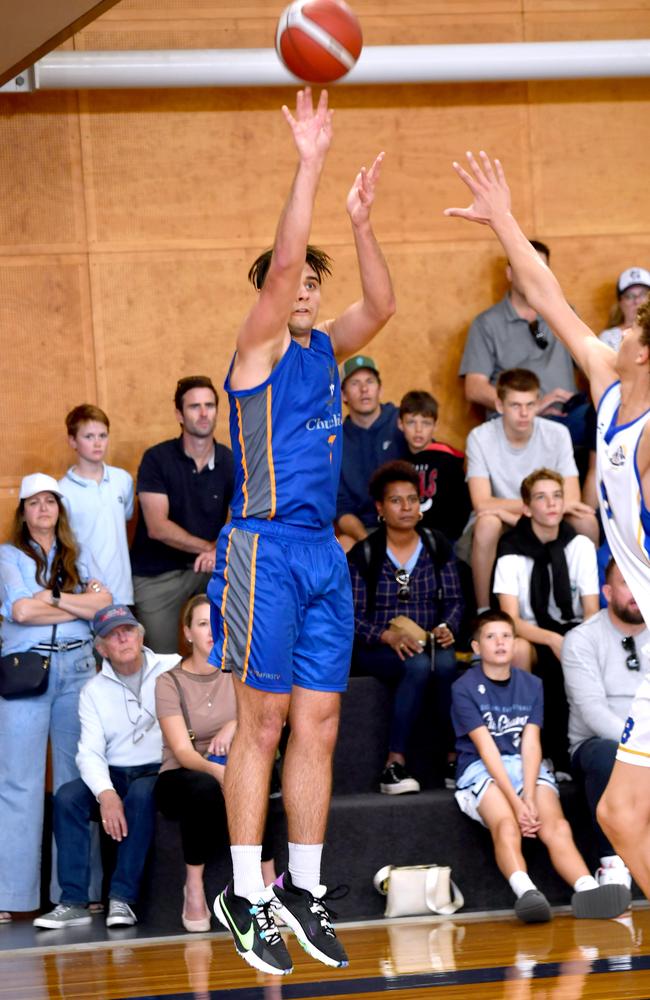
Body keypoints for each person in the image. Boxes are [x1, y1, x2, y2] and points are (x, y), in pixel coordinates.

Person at [208, 88, 395, 976]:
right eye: (296, 282)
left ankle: (303, 889)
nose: (306, 290)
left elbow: (384, 305)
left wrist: (358, 223)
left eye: (316, 283)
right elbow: (281, 269)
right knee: (265, 721)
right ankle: (243, 890)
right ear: (271, 295)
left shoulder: (327, 350)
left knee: (318, 725)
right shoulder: (256, 347)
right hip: (263, 548)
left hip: (324, 553)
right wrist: (311, 162)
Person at [445, 148, 650, 898]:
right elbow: (546, 289)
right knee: (623, 818)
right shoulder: (606, 373)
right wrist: (503, 221)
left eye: (631, 331)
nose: (613, 332)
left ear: (647, 352)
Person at [451, 610, 630, 924]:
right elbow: (486, 748)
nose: (500, 643)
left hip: (526, 766)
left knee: (556, 826)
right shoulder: (464, 686)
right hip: (483, 768)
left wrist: (530, 796)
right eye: (490, 637)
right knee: (506, 823)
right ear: (477, 648)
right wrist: (518, 802)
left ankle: (587, 889)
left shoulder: (532, 684)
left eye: (506, 635)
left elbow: (531, 742)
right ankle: (527, 893)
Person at [0, 474, 110, 924]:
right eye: (34, 503)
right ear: (23, 511)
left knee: (76, 783)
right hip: (26, 667)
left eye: (50, 502)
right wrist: (75, 600)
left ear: (59, 510)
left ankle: (78, 892)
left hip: (80, 669)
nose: (43, 509)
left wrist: (53, 595)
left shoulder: (79, 556)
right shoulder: (8, 556)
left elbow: (103, 607)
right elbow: (20, 611)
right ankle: (12, 896)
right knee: (19, 784)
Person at [33, 604, 178, 930]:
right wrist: (106, 793)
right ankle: (72, 902)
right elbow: (89, 753)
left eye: (128, 630)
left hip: (158, 767)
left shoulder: (172, 666)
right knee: (68, 796)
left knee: (142, 795)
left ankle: (122, 899)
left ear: (140, 635)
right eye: (113, 635)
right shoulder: (93, 691)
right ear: (101, 649)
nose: (123, 638)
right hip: (115, 772)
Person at [154, 595, 279, 932]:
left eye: (216, 622)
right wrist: (218, 771)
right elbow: (182, 751)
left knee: (264, 776)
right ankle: (193, 884)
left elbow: (268, 716)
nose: (211, 630)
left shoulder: (239, 671)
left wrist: (234, 724)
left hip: (235, 763)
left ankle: (268, 882)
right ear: (188, 632)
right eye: (202, 623)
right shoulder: (169, 682)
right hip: (183, 774)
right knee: (205, 787)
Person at [348, 460, 463, 794]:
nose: (406, 507)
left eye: (412, 499)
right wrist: (385, 635)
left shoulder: (437, 545)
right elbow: (349, 617)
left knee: (444, 664)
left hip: (428, 642)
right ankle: (393, 766)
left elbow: (455, 600)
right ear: (380, 509)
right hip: (377, 648)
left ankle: (454, 759)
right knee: (416, 666)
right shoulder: (364, 553)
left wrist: (446, 626)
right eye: (396, 501)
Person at [465, 367, 597, 610]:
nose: (524, 413)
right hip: (505, 518)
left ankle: (589, 608)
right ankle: (483, 611)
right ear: (499, 405)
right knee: (487, 524)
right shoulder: (479, 437)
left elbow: (571, 498)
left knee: (586, 520)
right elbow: (482, 503)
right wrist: (529, 509)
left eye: (530, 404)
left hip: (544, 513)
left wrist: (531, 508)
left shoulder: (558, 433)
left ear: (539, 403)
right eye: (515, 405)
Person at [493, 468, 599, 769]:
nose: (551, 504)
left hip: (573, 628)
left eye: (557, 496)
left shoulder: (578, 546)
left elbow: (591, 611)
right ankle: (526, 746)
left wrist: (573, 641)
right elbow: (510, 619)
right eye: (541, 497)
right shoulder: (511, 549)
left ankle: (577, 749)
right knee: (521, 650)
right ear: (527, 507)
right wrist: (553, 640)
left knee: (591, 646)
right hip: (531, 630)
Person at [561, 559, 649, 890]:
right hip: (596, 744)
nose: (637, 593)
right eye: (627, 584)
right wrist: (641, 751)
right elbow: (594, 714)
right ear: (607, 592)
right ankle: (612, 865)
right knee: (611, 754)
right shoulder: (581, 639)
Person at [130, 375, 234, 653]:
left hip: (211, 570)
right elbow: (157, 526)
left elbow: (243, 517)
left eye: (210, 405)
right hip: (158, 575)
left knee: (234, 644)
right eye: (194, 406)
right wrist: (210, 547)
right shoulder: (157, 459)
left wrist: (219, 552)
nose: (203, 413)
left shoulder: (230, 461)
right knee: (160, 660)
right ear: (179, 413)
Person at [458, 239, 577, 420]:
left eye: (541, 270)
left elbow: (591, 363)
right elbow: (474, 388)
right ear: (510, 273)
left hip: (568, 418)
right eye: (526, 268)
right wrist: (529, 408)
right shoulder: (486, 323)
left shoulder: (564, 313)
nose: (534, 276)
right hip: (516, 425)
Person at [58, 403, 134, 606]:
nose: (97, 443)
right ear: (73, 441)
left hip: (122, 590)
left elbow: (125, 518)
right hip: (85, 592)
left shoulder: (122, 480)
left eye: (102, 435)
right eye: (89, 437)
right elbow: (65, 543)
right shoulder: (62, 491)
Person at [336, 355, 403, 551]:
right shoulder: (337, 441)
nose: (364, 389)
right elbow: (341, 508)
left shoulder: (401, 422)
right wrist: (368, 541)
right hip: (363, 529)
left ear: (380, 389)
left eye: (370, 382)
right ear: (344, 395)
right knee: (343, 546)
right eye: (355, 383)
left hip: (407, 523)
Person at [397, 390, 471, 543]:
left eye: (426, 423)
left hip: (444, 538)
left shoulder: (449, 459)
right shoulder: (398, 465)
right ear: (400, 424)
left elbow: (461, 508)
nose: (418, 430)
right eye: (411, 422)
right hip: (408, 538)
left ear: (435, 425)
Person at [599, 267, 650, 352]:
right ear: (620, 303)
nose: (637, 301)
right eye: (629, 296)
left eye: (643, 294)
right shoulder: (608, 338)